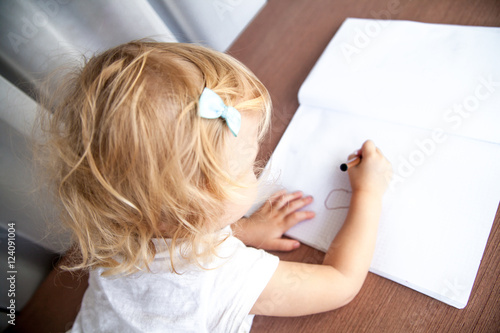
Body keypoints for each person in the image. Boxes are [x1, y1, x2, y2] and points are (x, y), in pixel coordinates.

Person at [38, 41, 392, 332]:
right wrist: (368, 194)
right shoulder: (221, 279)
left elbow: (178, 237)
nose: (259, 170)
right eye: (247, 168)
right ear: (195, 207)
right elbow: (340, 282)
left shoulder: (114, 226)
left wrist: (246, 229)